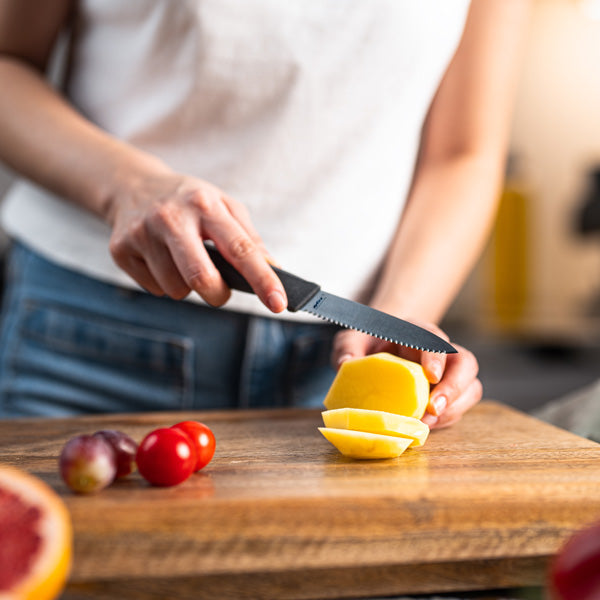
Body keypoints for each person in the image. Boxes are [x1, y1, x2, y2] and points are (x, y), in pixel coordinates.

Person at [0, 1, 530, 423]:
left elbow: (462, 153)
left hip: (340, 368)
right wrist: (127, 186)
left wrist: (401, 318)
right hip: (84, 334)